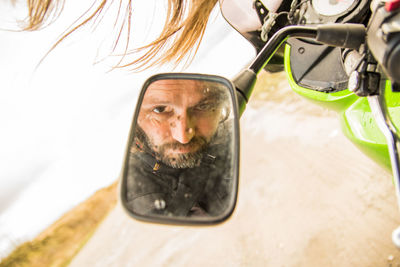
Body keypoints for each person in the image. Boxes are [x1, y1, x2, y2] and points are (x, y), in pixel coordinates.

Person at [125, 78, 234, 217]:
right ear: (135, 121)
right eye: (160, 109)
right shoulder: (138, 189)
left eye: (203, 106)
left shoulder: (230, 133)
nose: (183, 137)